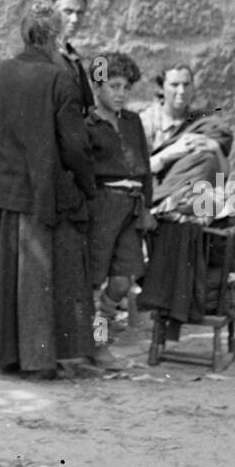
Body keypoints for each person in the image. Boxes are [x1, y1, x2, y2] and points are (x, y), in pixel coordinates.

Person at [0, 3, 97, 380]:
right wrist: (86, 184)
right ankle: (39, 362)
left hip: (3, 190)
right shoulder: (61, 79)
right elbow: (75, 145)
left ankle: (4, 355)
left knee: (5, 276)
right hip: (44, 193)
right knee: (39, 278)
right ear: (53, 38)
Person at [86, 51, 154, 366]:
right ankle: (96, 344)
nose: (121, 93)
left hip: (132, 206)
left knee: (123, 280)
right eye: (113, 86)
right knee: (94, 278)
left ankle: (101, 328)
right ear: (97, 87)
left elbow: (145, 170)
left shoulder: (132, 122)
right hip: (103, 205)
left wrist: (147, 208)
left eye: (126, 87)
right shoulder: (88, 125)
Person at [138, 63, 233, 212]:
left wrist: (215, 148)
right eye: (174, 85)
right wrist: (172, 151)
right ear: (161, 88)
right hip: (155, 198)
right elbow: (134, 172)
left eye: (186, 85)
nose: (181, 91)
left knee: (207, 158)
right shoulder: (145, 123)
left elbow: (223, 173)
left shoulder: (202, 122)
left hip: (198, 198)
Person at [53, 0, 95, 115]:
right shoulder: (43, 53)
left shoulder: (72, 55)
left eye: (80, 13)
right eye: (68, 11)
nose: (75, 19)